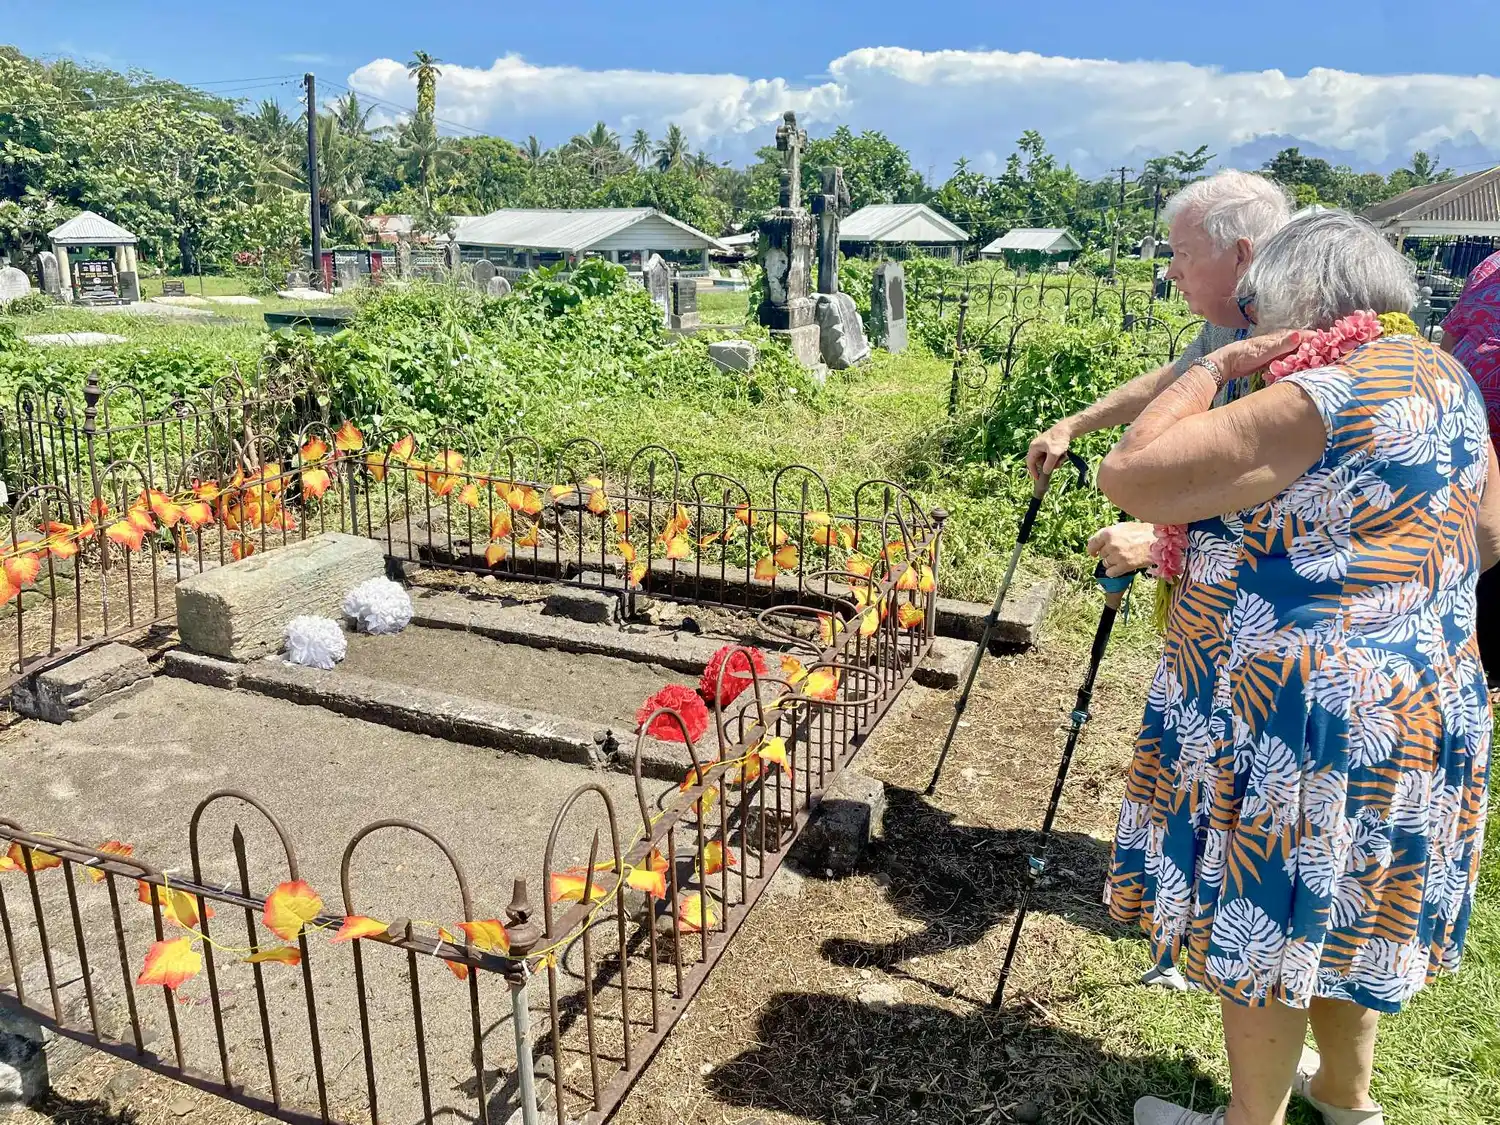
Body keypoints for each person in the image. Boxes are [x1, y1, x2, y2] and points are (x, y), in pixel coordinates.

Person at [1096, 210, 1500, 1125]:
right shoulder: (1447, 378)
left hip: (1300, 713)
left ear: (1305, 302)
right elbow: (1485, 538)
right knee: (1347, 904)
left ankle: (1251, 1119)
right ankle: (1347, 1098)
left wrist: (1212, 367)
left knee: (1271, 913)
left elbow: (1133, 473)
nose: (1249, 323)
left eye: (1257, 307)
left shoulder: (1326, 391)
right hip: (1420, 698)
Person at [1026, 171, 1293, 578]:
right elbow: (1174, 382)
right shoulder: (1232, 319)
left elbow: (1277, 493)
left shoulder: (1299, 348)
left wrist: (1158, 540)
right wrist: (1073, 426)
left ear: (1241, 255)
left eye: (1183, 254)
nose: (1170, 272)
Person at [1440, 248, 1500, 683]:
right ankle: (1467, 644)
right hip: (1468, 439)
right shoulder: (1490, 265)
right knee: (1469, 537)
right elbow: (1450, 337)